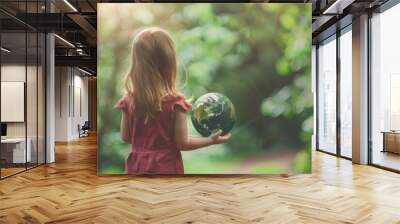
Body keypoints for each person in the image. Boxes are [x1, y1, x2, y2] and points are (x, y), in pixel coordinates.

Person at [115, 27, 231, 174]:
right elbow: (182, 143)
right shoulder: (175, 103)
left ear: (136, 64)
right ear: (169, 64)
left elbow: (126, 137)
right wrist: (211, 140)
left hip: (137, 167)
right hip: (166, 168)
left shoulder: (128, 100)